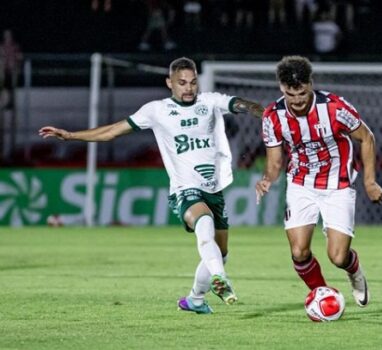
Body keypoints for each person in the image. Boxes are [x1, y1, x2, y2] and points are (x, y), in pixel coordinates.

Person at [39, 57, 264, 314]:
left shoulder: (209, 101)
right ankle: (220, 278)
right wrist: (71, 135)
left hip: (214, 188)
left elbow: (240, 103)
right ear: (170, 83)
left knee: (221, 251)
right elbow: (113, 130)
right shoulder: (156, 110)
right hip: (185, 188)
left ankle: (195, 299)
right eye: (182, 83)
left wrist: (266, 113)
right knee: (204, 222)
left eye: (192, 82)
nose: (189, 88)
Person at [255, 56, 382, 308]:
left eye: (302, 92)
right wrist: (267, 179)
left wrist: (370, 182)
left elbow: (366, 138)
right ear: (282, 88)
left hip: (338, 185)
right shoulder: (272, 116)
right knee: (299, 252)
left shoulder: (335, 108)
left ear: (310, 84)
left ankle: (355, 272)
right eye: (291, 94)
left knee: (337, 256)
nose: (298, 100)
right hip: (301, 184)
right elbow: (274, 161)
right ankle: (323, 295)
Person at [0, 29, 23, 110]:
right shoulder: (2, 46)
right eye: (6, 35)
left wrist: (18, 67)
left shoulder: (15, 46)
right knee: (4, 87)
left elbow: (19, 57)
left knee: (11, 88)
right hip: (3, 70)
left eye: (8, 35)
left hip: (13, 70)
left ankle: (11, 103)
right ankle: (6, 102)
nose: (7, 36)